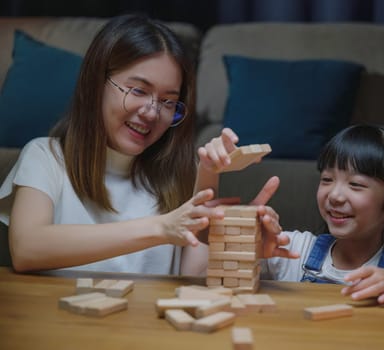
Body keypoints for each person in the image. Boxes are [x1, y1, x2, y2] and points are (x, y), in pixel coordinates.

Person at [0, 14, 291, 275]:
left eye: (168, 101)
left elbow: (193, 275)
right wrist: (159, 227)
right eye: (138, 90)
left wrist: (243, 242)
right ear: (96, 83)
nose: (152, 113)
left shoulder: (180, 171)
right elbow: (27, 249)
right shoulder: (45, 156)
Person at [262, 124, 384, 304]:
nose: (335, 195)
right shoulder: (293, 250)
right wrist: (246, 232)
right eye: (327, 179)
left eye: (356, 184)